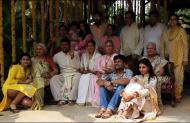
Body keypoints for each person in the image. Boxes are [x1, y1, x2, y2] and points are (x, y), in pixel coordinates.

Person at [160, 14, 188, 103]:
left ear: (177, 20)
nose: (172, 21)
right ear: (168, 21)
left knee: (178, 77)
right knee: (169, 77)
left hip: (179, 57)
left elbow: (185, 45)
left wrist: (185, 58)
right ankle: (169, 94)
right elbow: (162, 47)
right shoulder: (165, 33)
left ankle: (177, 94)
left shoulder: (181, 31)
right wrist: (162, 59)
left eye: (174, 19)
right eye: (171, 19)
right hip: (167, 59)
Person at [95, 54, 133, 119]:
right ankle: (103, 108)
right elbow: (98, 81)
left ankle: (110, 110)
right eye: (115, 62)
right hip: (112, 97)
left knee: (121, 87)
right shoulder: (111, 73)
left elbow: (127, 80)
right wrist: (105, 83)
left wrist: (111, 82)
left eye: (119, 62)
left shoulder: (128, 71)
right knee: (102, 87)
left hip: (122, 99)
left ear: (124, 63)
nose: (116, 63)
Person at [50, 38, 81, 105]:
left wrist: (72, 57)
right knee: (54, 79)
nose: (64, 46)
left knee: (78, 77)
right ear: (60, 46)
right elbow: (51, 63)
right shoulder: (57, 56)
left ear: (69, 45)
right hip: (63, 75)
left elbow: (78, 67)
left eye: (66, 45)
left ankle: (72, 99)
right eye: (62, 45)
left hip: (74, 73)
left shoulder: (76, 53)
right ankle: (60, 99)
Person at [89, 40, 117, 107]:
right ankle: (97, 100)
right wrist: (99, 72)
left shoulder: (116, 56)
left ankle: (107, 101)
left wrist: (110, 70)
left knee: (103, 79)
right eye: (107, 46)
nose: (108, 47)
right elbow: (97, 68)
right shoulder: (101, 57)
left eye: (110, 46)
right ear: (105, 48)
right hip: (102, 75)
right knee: (94, 78)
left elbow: (118, 67)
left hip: (113, 75)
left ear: (113, 47)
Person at [31, 43, 58, 110]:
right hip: (34, 79)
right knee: (38, 80)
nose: (38, 50)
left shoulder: (48, 59)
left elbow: (56, 70)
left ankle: (38, 103)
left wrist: (49, 75)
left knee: (39, 81)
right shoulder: (32, 59)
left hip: (46, 78)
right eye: (37, 49)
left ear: (44, 50)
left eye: (40, 49)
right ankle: (39, 103)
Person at [76, 40, 101, 105]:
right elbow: (81, 67)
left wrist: (90, 71)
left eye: (91, 46)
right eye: (88, 46)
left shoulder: (98, 55)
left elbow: (99, 69)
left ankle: (89, 99)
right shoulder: (84, 55)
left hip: (94, 75)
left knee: (88, 77)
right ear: (86, 47)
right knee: (83, 77)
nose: (90, 47)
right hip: (85, 74)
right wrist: (83, 70)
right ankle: (81, 99)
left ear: (94, 47)